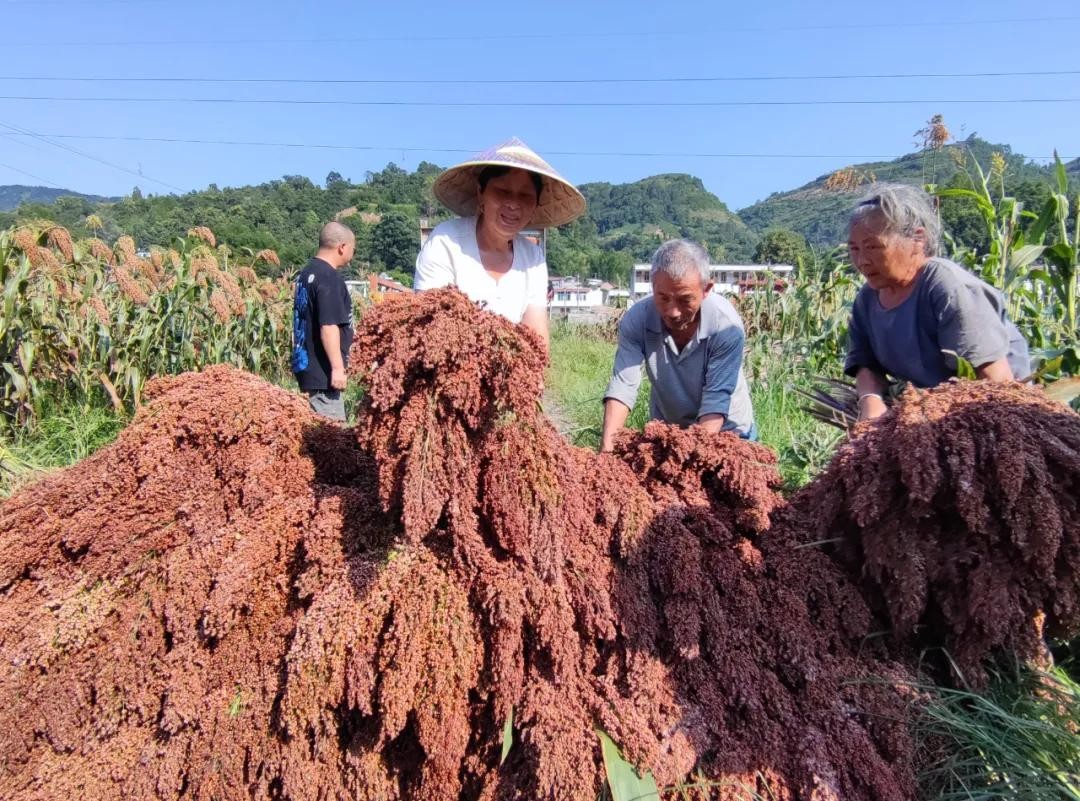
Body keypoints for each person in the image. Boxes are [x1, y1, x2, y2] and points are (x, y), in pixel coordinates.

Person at [844, 183, 1030, 422]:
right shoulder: (867, 299)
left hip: (989, 406)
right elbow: (865, 365)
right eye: (854, 248)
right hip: (929, 408)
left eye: (873, 247)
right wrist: (871, 406)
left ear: (918, 239)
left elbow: (996, 382)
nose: (862, 260)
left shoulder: (946, 285)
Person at [414, 136, 586, 347]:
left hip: (509, 372)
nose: (513, 204)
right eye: (502, 191)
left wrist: (533, 377)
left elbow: (536, 338)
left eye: (525, 195)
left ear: (535, 205)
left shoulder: (533, 259)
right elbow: (432, 330)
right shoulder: (446, 242)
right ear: (481, 193)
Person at [600, 239, 756, 452]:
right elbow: (623, 387)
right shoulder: (638, 320)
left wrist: (690, 463)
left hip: (728, 435)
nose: (672, 311)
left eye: (685, 300)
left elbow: (715, 402)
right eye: (662, 298)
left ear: (706, 289)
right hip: (670, 434)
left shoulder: (726, 327)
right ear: (652, 285)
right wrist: (607, 453)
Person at [291, 221, 356, 422]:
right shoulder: (328, 277)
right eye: (353, 248)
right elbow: (328, 325)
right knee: (332, 440)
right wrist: (337, 368)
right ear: (342, 247)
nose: (353, 253)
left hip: (307, 370)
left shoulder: (306, 273)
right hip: (324, 376)